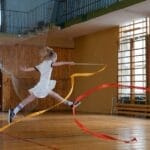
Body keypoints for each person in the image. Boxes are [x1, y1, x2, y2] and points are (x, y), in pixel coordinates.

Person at [8, 47, 80, 123]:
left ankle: (71, 104)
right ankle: (14, 111)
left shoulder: (42, 64)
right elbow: (60, 63)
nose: (56, 60)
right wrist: (69, 63)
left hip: (44, 85)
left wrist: (25, 69)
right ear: (52, 58)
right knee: (30, 99)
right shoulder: (50, 63)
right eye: (56, 58)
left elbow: (32, 68)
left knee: (53, 95)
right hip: (43, 86)